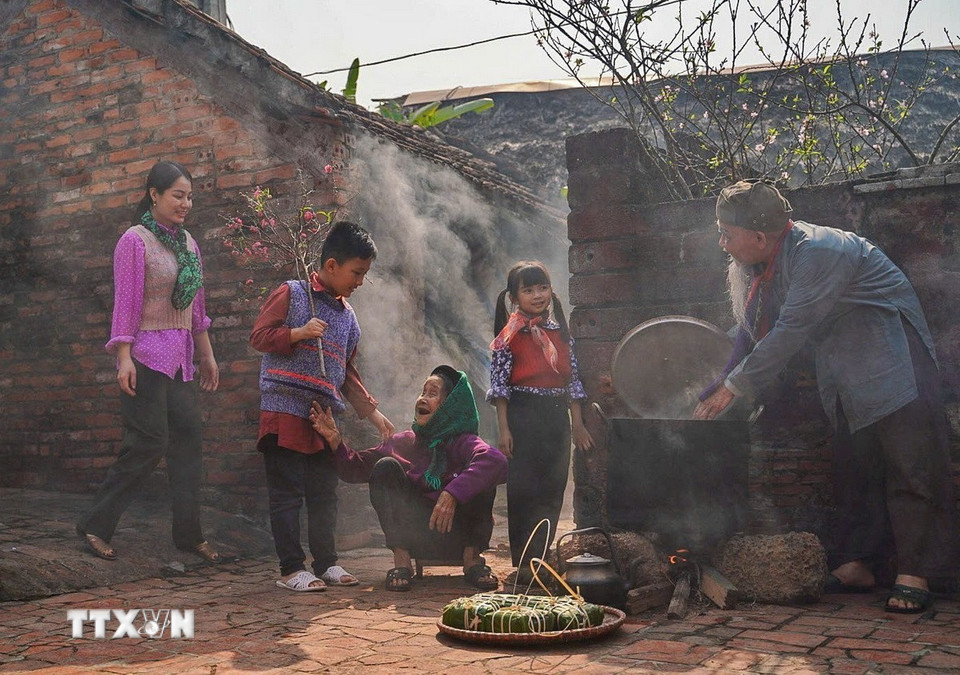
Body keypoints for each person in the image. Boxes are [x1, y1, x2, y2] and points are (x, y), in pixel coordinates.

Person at [694, 179, 959, 614]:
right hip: (845, 367)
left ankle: (915, 573)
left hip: (892, 355)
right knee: (855, 466)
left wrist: (734, 387)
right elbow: (750, 329)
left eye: (726, 234)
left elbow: (790, 330)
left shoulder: (819, 251)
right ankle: (858, 564)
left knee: (909, 464)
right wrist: (716, 377)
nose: (722, 243)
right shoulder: (766, 263)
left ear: (758, 236)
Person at [77, 161, 221, 563]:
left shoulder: (189, 243)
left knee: (188, 443)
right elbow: (126, 304)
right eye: (178, 195)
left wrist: (207, 355)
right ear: (154, 195)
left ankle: (189, 535)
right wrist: (123, 358)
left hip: (180, 360)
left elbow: (196, 309)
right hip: (144, 357)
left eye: (190, 196)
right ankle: (95, 524)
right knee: (148, 442)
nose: (185, 203)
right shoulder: (134, 241)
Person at [250, 221, 395, 592]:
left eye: (364, 274)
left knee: (324, 495)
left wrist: (373, 413)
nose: (360, 281)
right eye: (356, 273)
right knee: (287, 494)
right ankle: (291, 569)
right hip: (284, 408)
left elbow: (345, 372)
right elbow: (259, 336)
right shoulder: (292, 293)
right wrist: (299, 333)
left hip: (323, 417)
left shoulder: (348, 319)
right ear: (332, 265)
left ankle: (326, 563)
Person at [310, 365, 507, 592]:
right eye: (423, 392)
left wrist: (453, 493)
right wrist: (336, 442)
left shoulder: (464, 441)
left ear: (450, 405)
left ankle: (472, 560)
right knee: (385, 467)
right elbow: (355, 468)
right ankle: (401, 560)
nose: (422, 399)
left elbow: (496, 461)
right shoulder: (404, 442)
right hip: (416, 537)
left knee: (483, 476)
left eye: (432, 394)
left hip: (459, 537)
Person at [486, 261, 594, 582]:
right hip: (522, 415)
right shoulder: (507, 337)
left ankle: (540, 557)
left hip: (556, 417)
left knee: (552, 485)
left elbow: (572, 382)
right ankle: (523, 562)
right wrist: (504, 429)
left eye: (543, 288)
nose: (537, 295)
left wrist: (577, 425)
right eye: (529, 290)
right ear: (514, 297)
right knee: (523, 488)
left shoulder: (562, 334)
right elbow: (500, 386)